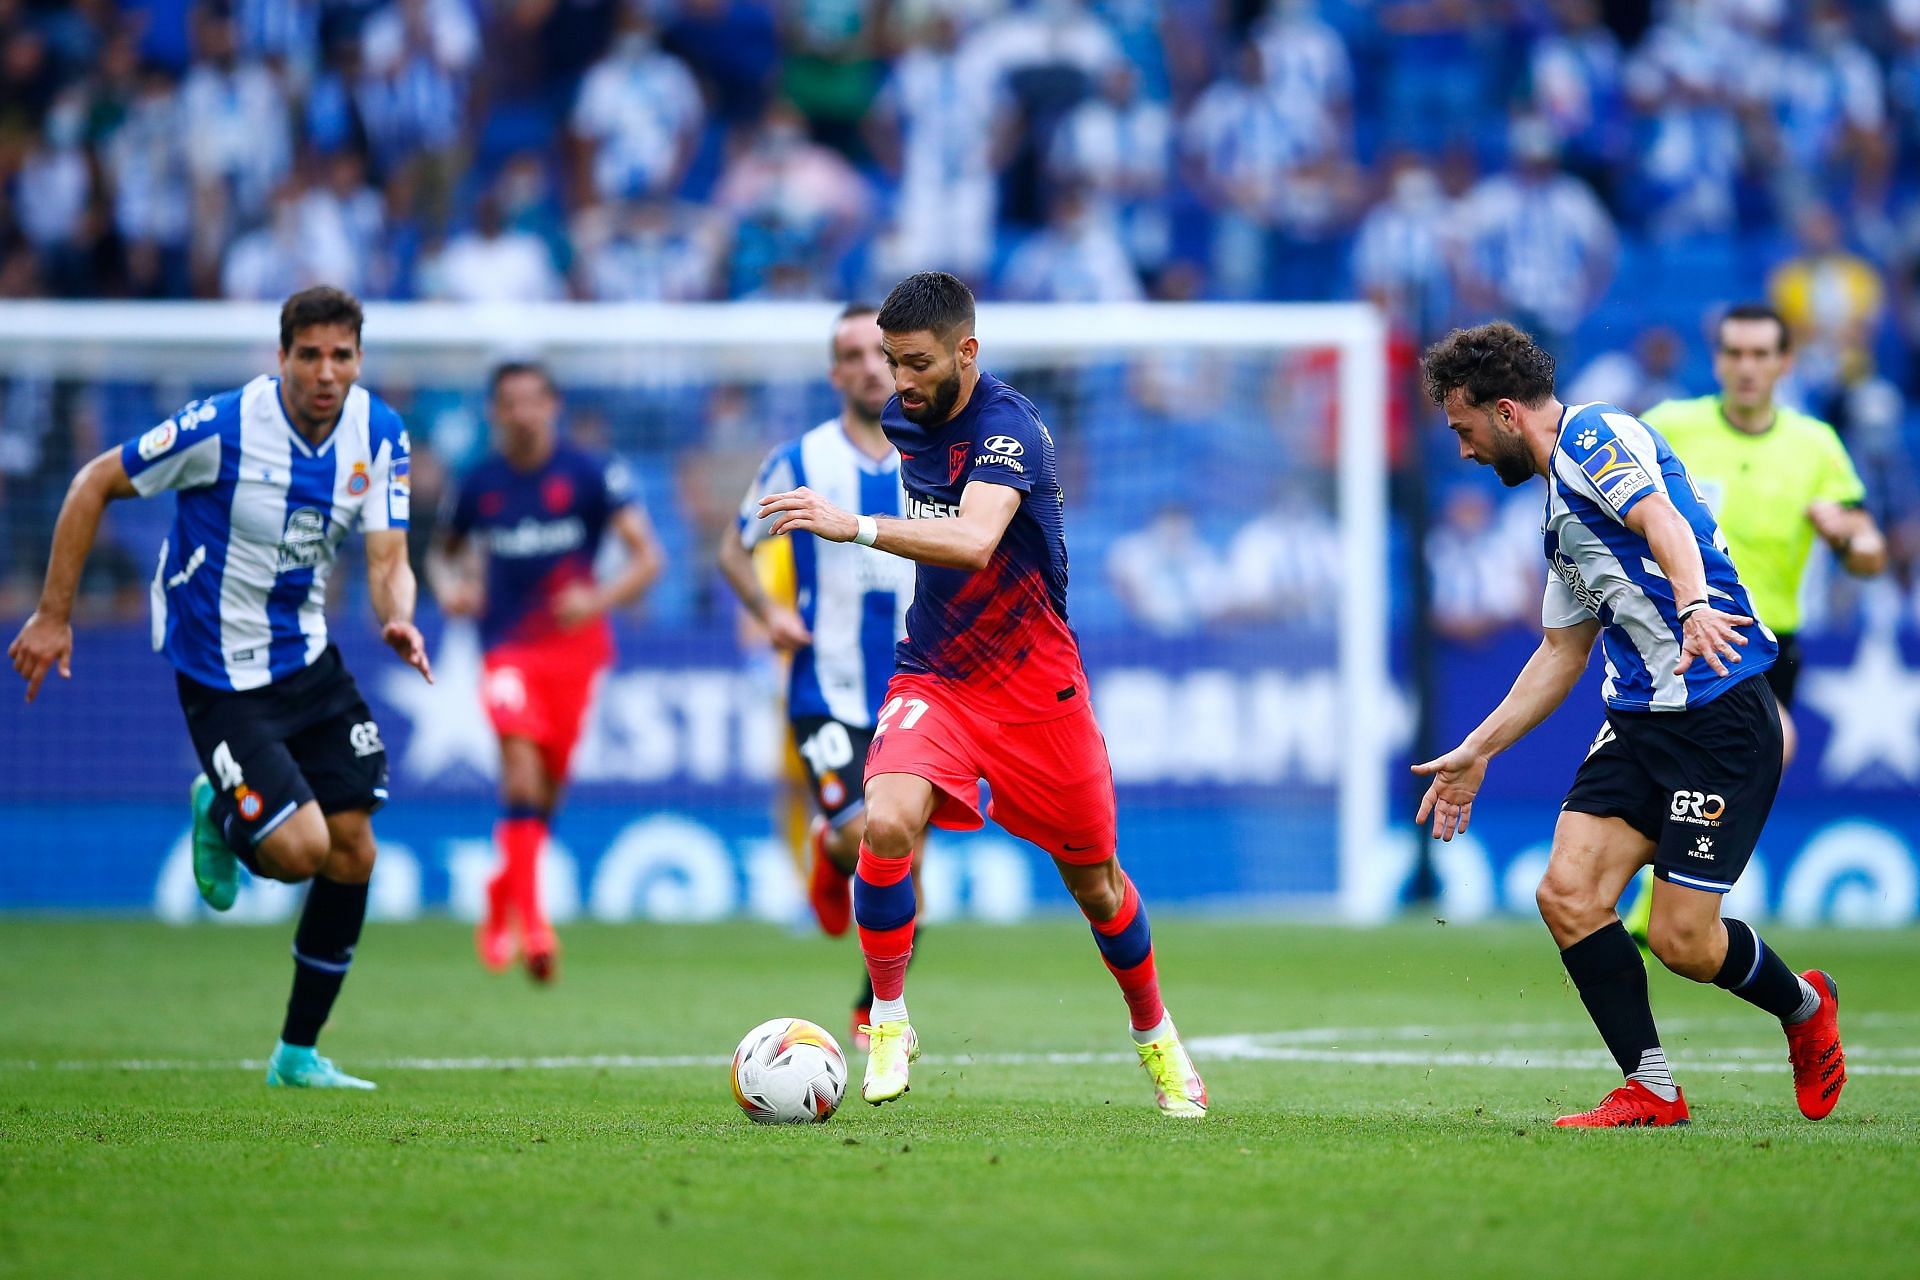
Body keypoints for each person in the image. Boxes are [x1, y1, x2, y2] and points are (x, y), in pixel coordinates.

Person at [757, 271, 1208, 1117]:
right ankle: (886, 1017)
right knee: (884, 821)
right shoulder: (906, 415)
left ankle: (1157, 1037)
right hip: (934, 673)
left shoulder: (1011, 430)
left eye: (917, 363)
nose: (900, 382)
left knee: (1098, 886)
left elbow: (969, 543)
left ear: (968, 351)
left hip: (1039, 690)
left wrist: (847, 523)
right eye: (891, 363)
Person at [1413, 321, 1846, 1128]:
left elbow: (1662, 521)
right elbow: (1560, 652)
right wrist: (1477, 752)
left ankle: (1803, 1009)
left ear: (1505, 411)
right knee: (1568, 894)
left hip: (1719, 714)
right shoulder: (1557, 512)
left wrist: (1691, 607)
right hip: (1639, 722)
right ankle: (1650, 1089)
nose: (1464, 451)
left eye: (1464, 429)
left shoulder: (1594, 436)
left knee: (1684, 942)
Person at [7, 286, 430, 1090]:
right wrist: (54, 614)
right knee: (299, 851)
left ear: (358, 361)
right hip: (220, 674)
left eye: (341, 355)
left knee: (355, 849)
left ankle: (296, 1056)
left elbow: (387, 560)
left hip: (308, 660)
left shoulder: (380, 433)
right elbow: (93, 481)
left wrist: (398, 617)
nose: (326, 372)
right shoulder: (224, 427)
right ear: (282, 358)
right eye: (309, 354)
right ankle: (219, 805)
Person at [1618, 304, 1887, 951]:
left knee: (1722, 769)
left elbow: (1871, 553)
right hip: (1682, 632)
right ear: (1717, 361)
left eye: (1761, 354)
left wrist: (1847, 535)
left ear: (1784, 363)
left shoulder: (1814, 445)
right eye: (1735, 353)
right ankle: (1661, 899)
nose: (1747, 367)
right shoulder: (1670, 427)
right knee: (1758, 748)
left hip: (1768, 648)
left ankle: (1662, 902)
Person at [717, 303, 915, 1050]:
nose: (869, 366)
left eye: (880, 353)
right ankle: (830, 864)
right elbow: (733, 550)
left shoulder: (932, 457)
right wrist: (769, 612)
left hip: (913, 692)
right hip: (822, 690)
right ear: (835, 372)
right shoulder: (796, 460)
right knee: (859, 834)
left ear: (899, 364)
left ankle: (872, 1011)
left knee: (901, 847)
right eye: (853, 355)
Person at [430, 361, 664, 982]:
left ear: (553, 406)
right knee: (520, 769)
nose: (523, 413)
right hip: (506, 649)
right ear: (494, 412)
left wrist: (597, 599)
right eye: (510, 403)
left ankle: (501, 893)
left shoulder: (588, 472)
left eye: (534, 401)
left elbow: (648, 559)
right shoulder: (479, 482)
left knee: (545, 793)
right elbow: (441, 555)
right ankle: (534, 928)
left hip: (575, 653)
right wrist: (451, 587)